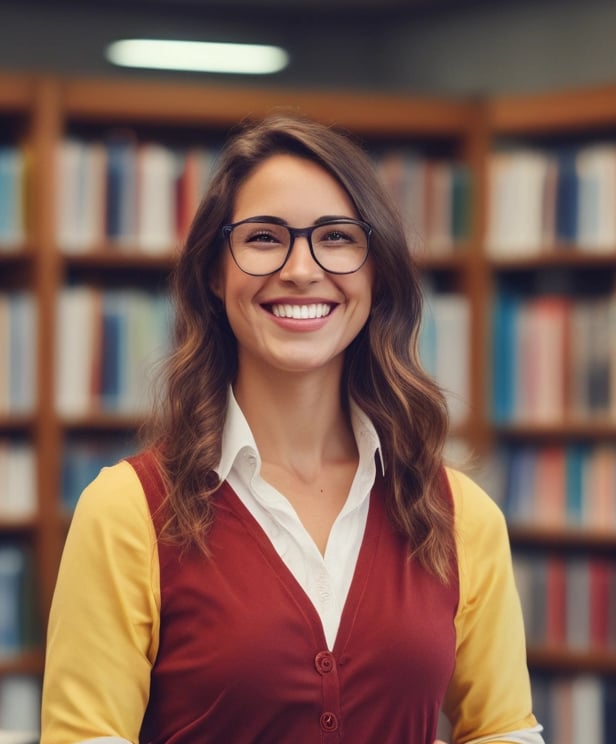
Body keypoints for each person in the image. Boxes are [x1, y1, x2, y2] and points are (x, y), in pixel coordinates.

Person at [40, 112, 545, 744]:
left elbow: (503, 731)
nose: (302, 269)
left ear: (377, 272)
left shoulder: (458, 515)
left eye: (336, 237)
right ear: (213, 275)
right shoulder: (126, 513)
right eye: (263, 238)